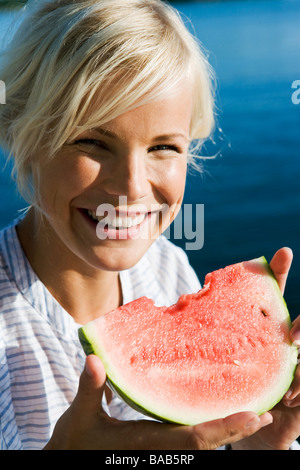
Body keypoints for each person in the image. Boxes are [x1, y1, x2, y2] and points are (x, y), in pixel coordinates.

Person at [0, 0, 299, 450]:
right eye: (92, 142)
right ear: (22, 139)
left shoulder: (166, 267)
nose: (133, 188)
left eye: (163, 147)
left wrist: (256, 441)